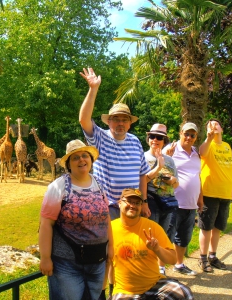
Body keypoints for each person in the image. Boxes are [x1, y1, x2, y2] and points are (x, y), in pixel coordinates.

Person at [38, 139, 113, 300]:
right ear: (69, 164)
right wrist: (45, 258)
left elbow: (106, 218)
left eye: (85, 156)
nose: (81, 160)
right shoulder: (58, 187)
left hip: (97, 260)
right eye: (75, 157)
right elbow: (46, 224)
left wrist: (111, 247)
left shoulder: (98, 184)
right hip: (67, 264)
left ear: (91, 160)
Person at [79, 67, 150, 220]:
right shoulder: (100, 138)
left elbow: (142, 175)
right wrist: (93, 89)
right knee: (108, 244)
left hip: (133, 206)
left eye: (124, 120)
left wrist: (144, 202)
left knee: (131, 244)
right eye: (116, 119)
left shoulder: (135, 141)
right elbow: (83, 119)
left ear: (130, 123)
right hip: (107, 207)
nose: (120, 123)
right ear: (109, 121)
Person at [110, 188, 194, 299]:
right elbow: (106, 263)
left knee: (184, 293)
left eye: (137, 203)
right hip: (125, 290)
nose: (133, 206)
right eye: (129, 201)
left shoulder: (152, 227)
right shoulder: (110, 229)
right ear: (120, 203)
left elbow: (173, 259)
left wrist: (157, 249)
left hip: (154, 284)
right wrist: (110, 288)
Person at [163, 122, 204, 276]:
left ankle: (179, 264)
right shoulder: (170, 150)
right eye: (186, 134)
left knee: (184, 238)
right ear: (180, 133)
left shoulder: (196, 153)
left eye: (192, 135)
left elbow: (197, 177)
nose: (189, 137)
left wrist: (200, 198)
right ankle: (161, 269)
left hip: (191, 204)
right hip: (174, 202)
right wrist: (169, 156)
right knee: (167, 236)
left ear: (195, 137)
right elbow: (161, 170)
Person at [198, 118, 232, 273]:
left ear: (222, 128)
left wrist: (231, 188)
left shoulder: (227, 146)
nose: (213, 126)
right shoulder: (208, 145)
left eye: (216, 124)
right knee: (206, 227)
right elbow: (202, 152)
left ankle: (213, 256)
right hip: (210, 192)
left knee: (218, 227)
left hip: (225, 192)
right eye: (210, 125)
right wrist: (208, 137)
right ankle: (203, 258)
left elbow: (229, 168)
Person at [144, 123, 179, 276]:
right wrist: (144, 202)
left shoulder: (170, 161)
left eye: (159, 137)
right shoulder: (143, 157)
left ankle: (161, 269)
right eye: (152, 136)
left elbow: (177, 183)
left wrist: (172, 180)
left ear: (164, 141)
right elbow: (142, 181)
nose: (155, 140)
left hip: (168, 202)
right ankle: (149, 270)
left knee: (164, 237)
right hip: (151, 202)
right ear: (148, 139)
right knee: (150, 237)